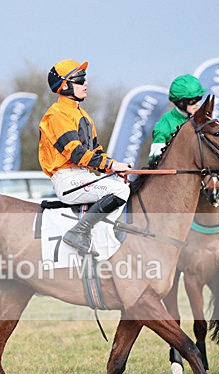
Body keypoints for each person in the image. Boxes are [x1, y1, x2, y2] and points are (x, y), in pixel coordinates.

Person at [39, 59, 131, 256]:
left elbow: (96, 152)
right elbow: (76, 153)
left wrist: (114, 168)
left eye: (84, 78)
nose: (85, 83)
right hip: (68, 179)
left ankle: (100, 237)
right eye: (79, 79)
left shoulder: (83, 115)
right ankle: (78, 232)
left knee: (123, 186)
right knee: (120, 190)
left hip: (82, 176)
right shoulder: (57, 115)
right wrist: (113, 165)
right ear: (64, 85)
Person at [148, 74, 219, 200]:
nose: (197, 104)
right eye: (192, 101)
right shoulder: (164, 125)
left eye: (199, 98)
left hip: (205, 169)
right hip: (181, 175)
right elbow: (154, 158)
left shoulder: (201, 119)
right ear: (180, 102)